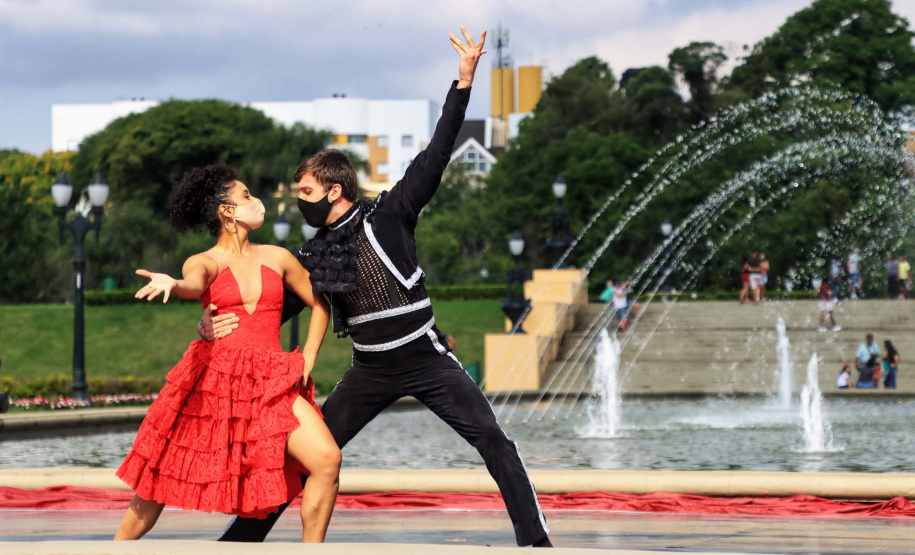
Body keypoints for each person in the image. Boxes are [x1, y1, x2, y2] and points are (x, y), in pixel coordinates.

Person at [205, 28, 553, 548]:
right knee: (299, 458)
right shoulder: (315, 253)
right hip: (369, 370)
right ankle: (238, 543)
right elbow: (265, 310)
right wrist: (213, 323)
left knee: (494, 441)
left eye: (305, 191)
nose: (299, 201)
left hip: (428, 360)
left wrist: (463, 82)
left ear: (334, 189)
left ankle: (537, 545)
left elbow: (438, 152)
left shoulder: (391, 213)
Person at [114, 165, 338, 543]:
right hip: (215, 380)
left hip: (273, 380)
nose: (257, 202)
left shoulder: (279, 256)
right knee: (161, 477)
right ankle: (116, 550)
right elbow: (191, 282)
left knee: (327, 461)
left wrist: (310, 357)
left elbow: (320, 303)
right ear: (227, 212)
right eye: (247, 196)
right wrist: (173, 282)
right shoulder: (205, 261)